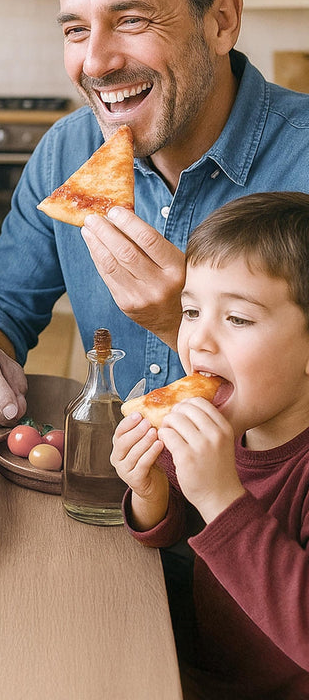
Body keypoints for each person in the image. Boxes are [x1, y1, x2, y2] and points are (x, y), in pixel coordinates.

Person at [0, 0, 309, 426]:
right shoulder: (68, 151)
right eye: (75, 30)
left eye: (131, 19)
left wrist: (180, 321)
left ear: (222, 20)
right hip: (111, 490)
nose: (95, 62)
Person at [111, 192, 309, 698]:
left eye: (238, 319)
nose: (199, 341)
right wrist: (151, 492)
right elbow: (180, 530)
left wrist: (223, 498)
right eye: (191, 311)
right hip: (199, 669)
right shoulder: (228, 421)